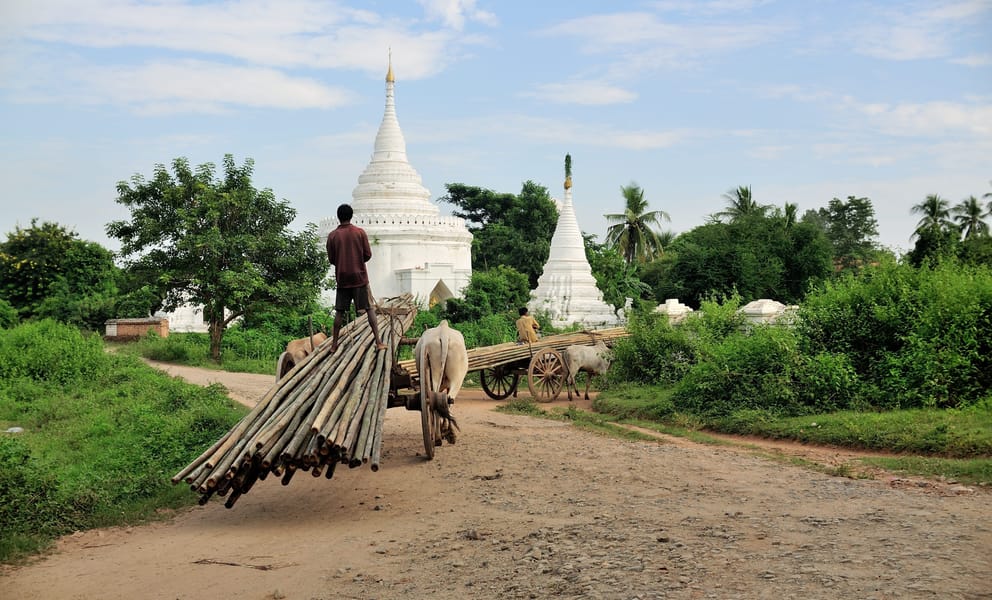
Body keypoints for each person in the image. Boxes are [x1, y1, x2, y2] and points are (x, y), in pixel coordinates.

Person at [326, 203, 386, 353]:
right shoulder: (360, 233)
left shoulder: (333, 236)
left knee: (339, 312)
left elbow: (332, 259)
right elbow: (368, 255)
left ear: (338, 217)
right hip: (359, 277)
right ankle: (378, 342)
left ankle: (334, 345)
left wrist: (342, 263)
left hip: (342, 278)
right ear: (351, 216)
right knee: (369, 308)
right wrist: (356, 262)